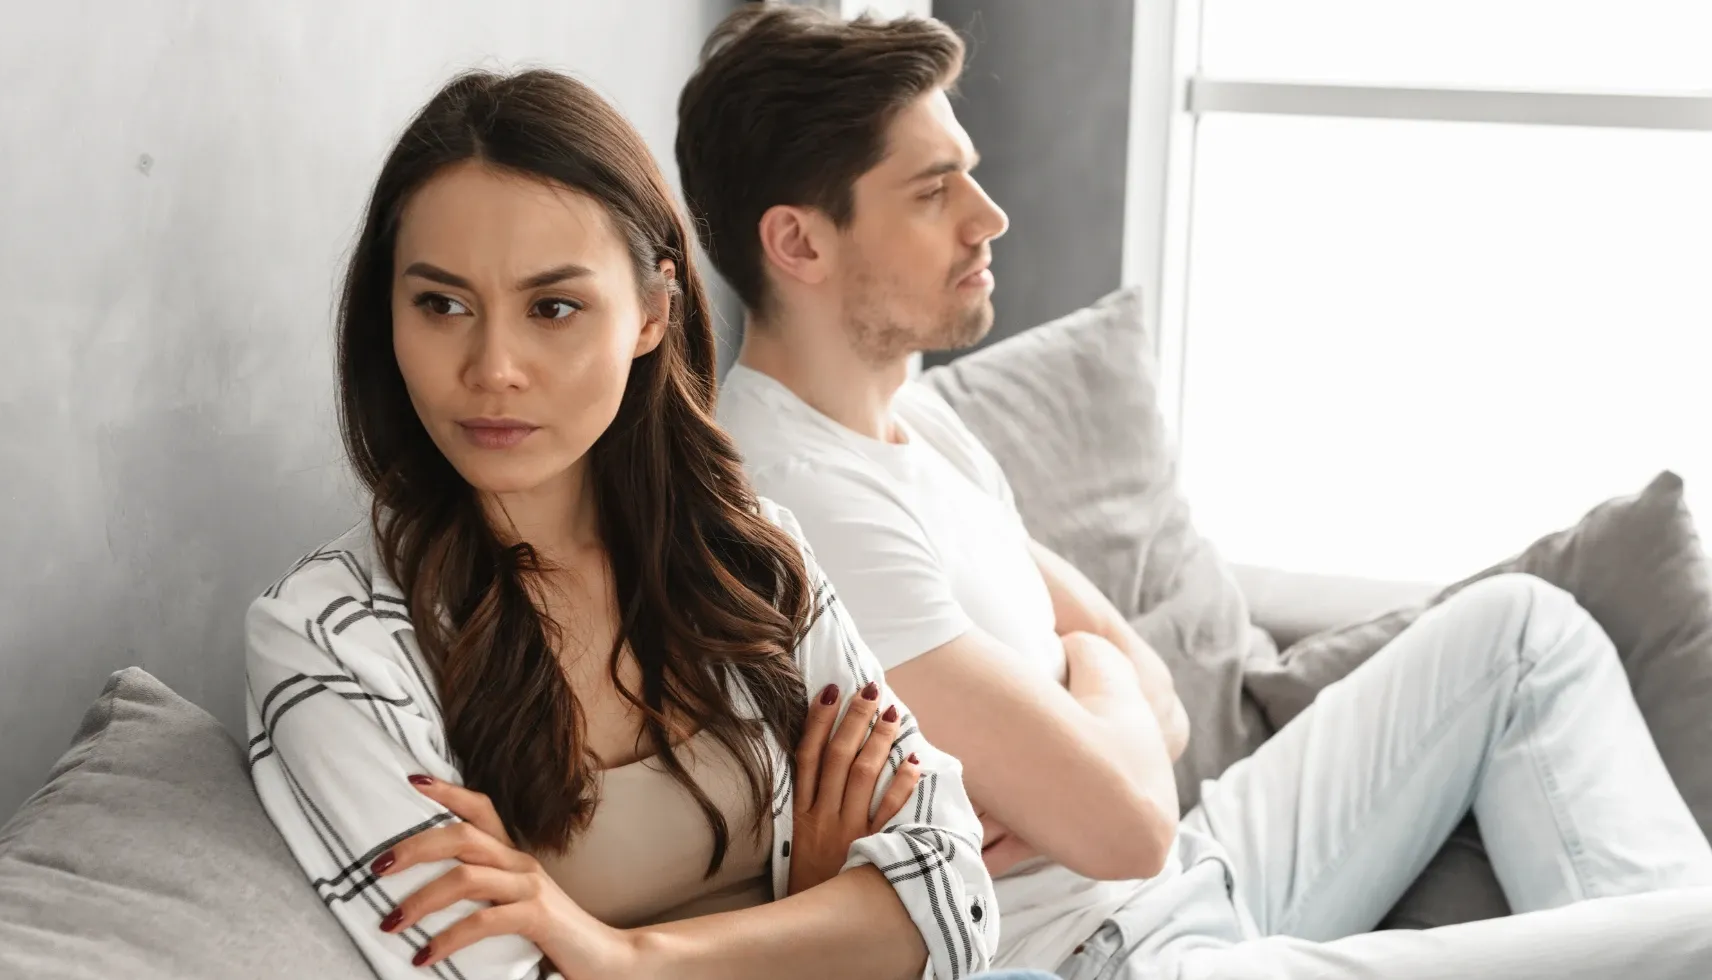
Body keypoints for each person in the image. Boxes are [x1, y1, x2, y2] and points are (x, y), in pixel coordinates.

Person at [677, 6, 1712, 978]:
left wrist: (1087, 710)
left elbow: (1145, 687)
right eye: (933, 190)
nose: (990, 217)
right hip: (1112, 952)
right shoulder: (804, 505)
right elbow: (1126, 814)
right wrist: (1095, 736)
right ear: (799, 241)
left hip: (1192, 870)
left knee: (1527, 632)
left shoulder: (918, 416)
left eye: (973, 176)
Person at [244, 68, 1004, 980]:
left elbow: (957, 899)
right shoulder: (331, 640)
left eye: (553, 307)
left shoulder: (751, 555)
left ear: (651, 314)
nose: (493, 368)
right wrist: (810, 922)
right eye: (441, 304)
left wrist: (623, 954)